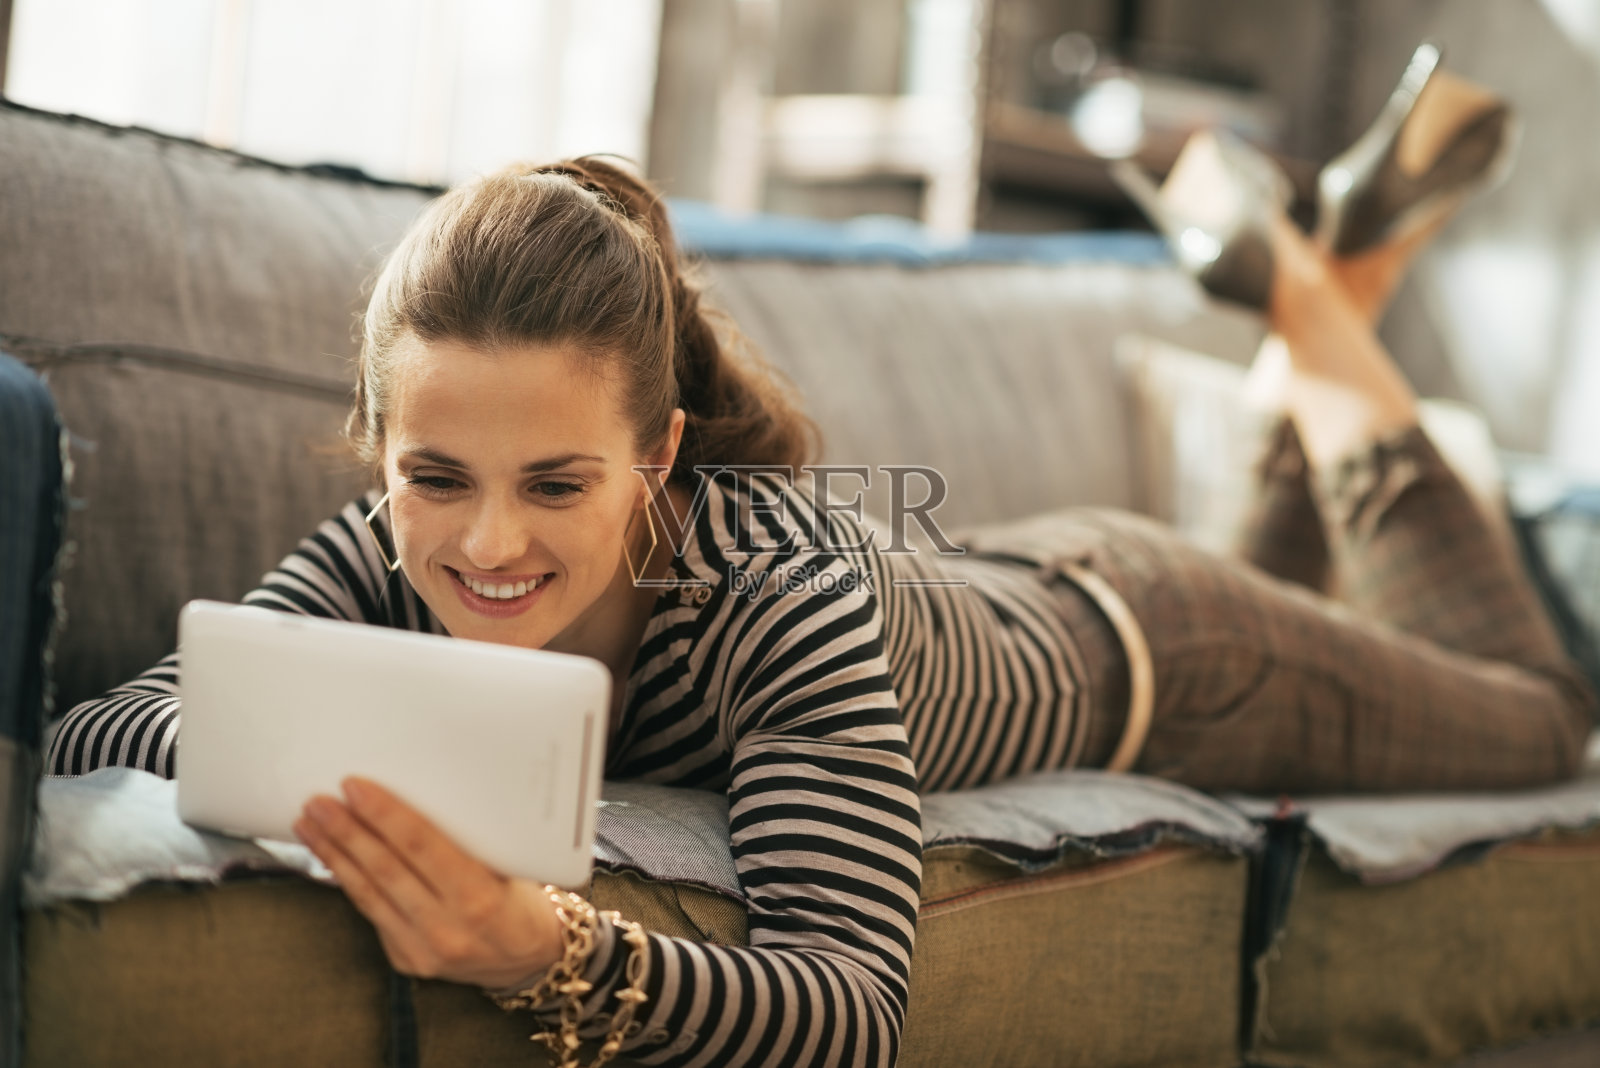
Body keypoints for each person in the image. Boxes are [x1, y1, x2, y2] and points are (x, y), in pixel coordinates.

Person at [44, 51, 1595, 1068]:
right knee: (1304, 572)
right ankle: (1317, 281)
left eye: (558, 483)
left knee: (1537, 718)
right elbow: (109, 722)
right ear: (381, 447)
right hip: (1007, 588)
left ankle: (1324, 298)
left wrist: (548, 952)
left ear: (654, 461)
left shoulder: (768, 599)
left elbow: (851, 1007)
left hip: (1159, 650)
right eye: (434, 474)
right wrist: (332, 731)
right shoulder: (390, 551)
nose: (486, 541)